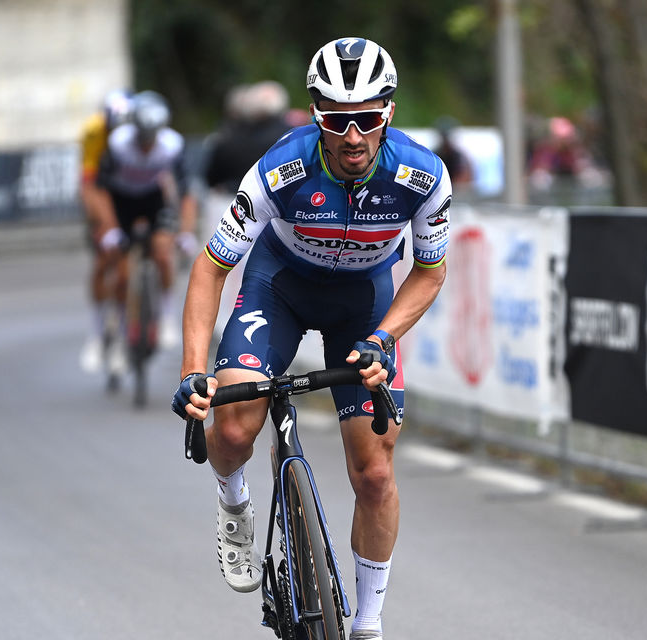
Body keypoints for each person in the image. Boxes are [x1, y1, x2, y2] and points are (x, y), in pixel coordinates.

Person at [172, 37, 452, 640]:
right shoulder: (280, 169)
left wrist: (383, 337)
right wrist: (193, 370)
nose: (353, 136)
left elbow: (430, 272)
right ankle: (234, 502)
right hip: (281, 287)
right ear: (315, 114)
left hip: (364, 305)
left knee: (374, 472)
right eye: (336, 119)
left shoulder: (421, 175)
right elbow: (211, 267)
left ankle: (368, 624)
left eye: (368, 118)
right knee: (234, 423)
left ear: (390, 113)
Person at [97, 90, 198, 352]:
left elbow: (186, 193)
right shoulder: (117, 143)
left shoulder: (173, 145)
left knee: (163, 254)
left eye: (152, 137)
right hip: (122, 201)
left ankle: (166, 316)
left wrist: (186, 232)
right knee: (120, 274)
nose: (146, 143)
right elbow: (101, 189)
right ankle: (118, 326)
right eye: (142, 136)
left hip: (153, 199)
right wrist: (109, 227)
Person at [78, 89, 134, 375]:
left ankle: (126, 334)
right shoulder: (93, 132)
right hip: (102, 192)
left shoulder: (141, 131)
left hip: (130, 194)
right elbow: (88, 184)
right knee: (103, 259)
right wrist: (100, 223)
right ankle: (98, 331)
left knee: (125, 273)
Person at [203, 80, 293, 193]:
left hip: (232, 197)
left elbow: (212, 177)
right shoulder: (292, 137)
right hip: (280, 198)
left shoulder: (230, 137)